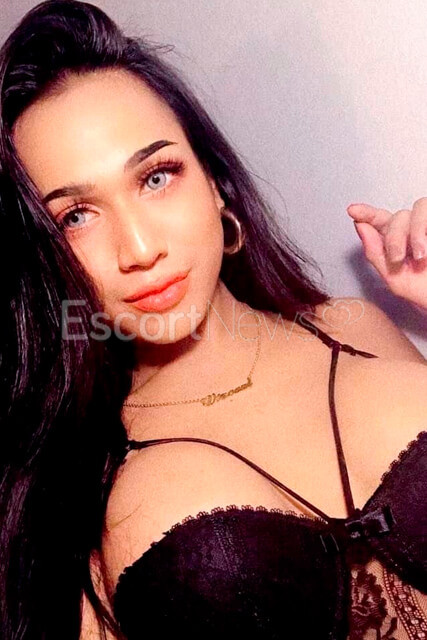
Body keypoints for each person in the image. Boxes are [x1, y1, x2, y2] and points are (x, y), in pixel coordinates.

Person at [0, 1, 425, 639]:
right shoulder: (74, 486)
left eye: (156, 177)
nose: (140, 249)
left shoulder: (356, 330)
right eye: (76, 217)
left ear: (214, 182)